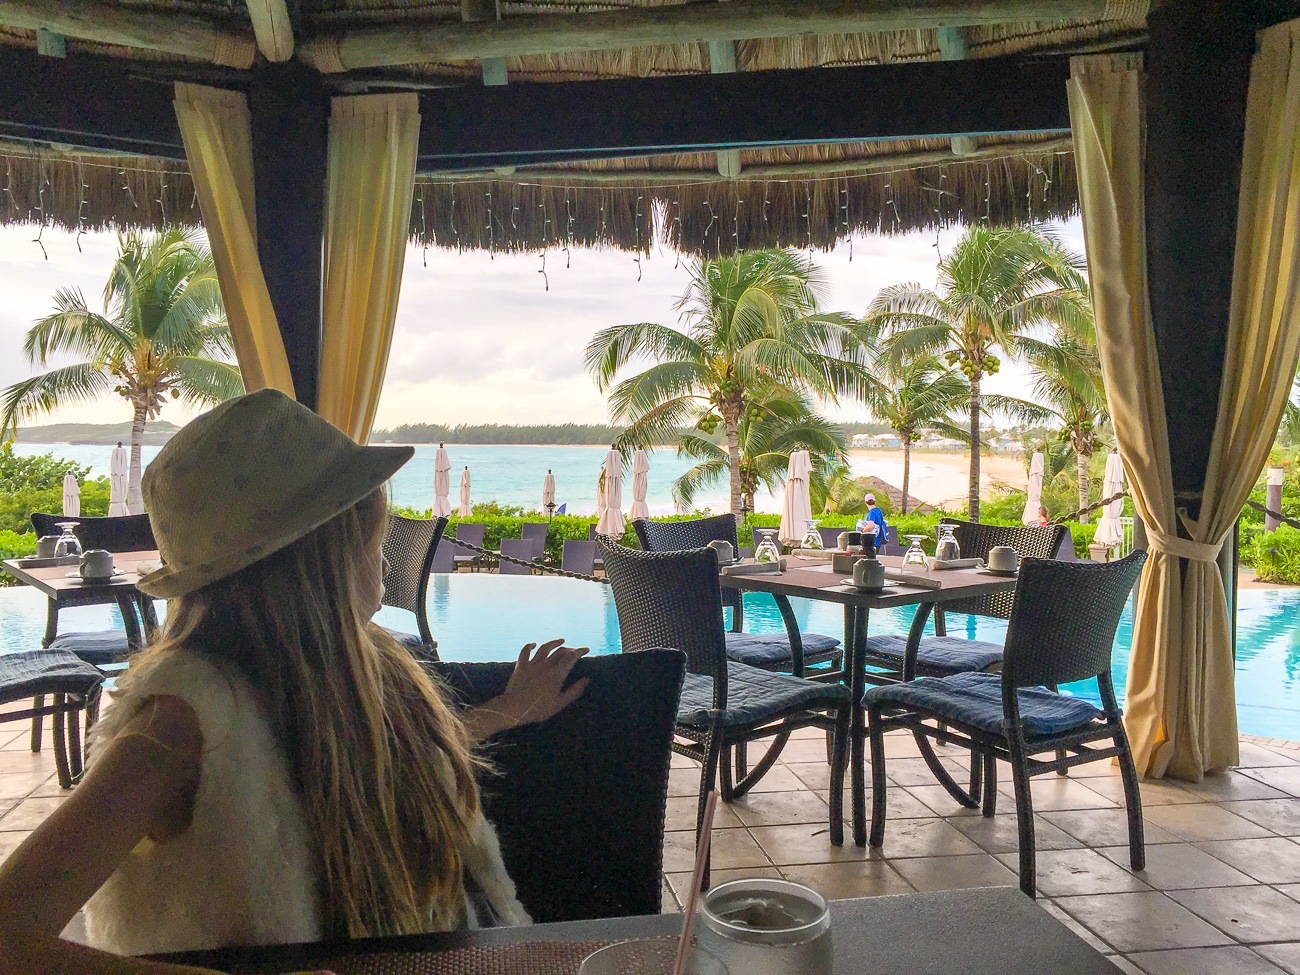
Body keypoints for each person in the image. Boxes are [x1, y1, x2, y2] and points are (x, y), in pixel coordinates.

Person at [0, 390, 589, 974]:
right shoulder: (181, 722)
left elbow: (374, 761)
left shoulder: (365, 664)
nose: (380, 554)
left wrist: (508, 711)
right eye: (372, 533)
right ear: (327, 552)